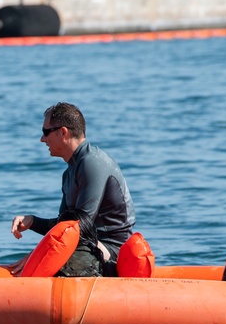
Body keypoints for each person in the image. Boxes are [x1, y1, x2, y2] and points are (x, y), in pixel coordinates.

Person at [10, 102, 135, 277]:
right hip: (88, 245)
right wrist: (33, 222)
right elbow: (64, 227)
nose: (42, 139)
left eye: (46, 132)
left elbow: (79, 226)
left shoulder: (92, 162)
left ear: (63, 132)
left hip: (111, 252)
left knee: (51, 263)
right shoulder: (69, 172)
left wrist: (41, 253)